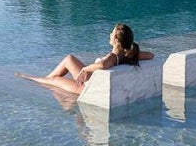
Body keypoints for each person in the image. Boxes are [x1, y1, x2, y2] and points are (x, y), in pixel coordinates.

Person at [17, 23, 154, 94]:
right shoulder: (126, 55)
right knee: (69, 59)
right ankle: (45, 79)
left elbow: (102, 65)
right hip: (89, 79)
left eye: (112, 33)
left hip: (85, 87)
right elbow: (151, 55)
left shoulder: (112, 57)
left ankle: (30, 78)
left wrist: (85, 68)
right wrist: (133, 53)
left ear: (117, 41)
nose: (109, 34)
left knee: (53, 79)